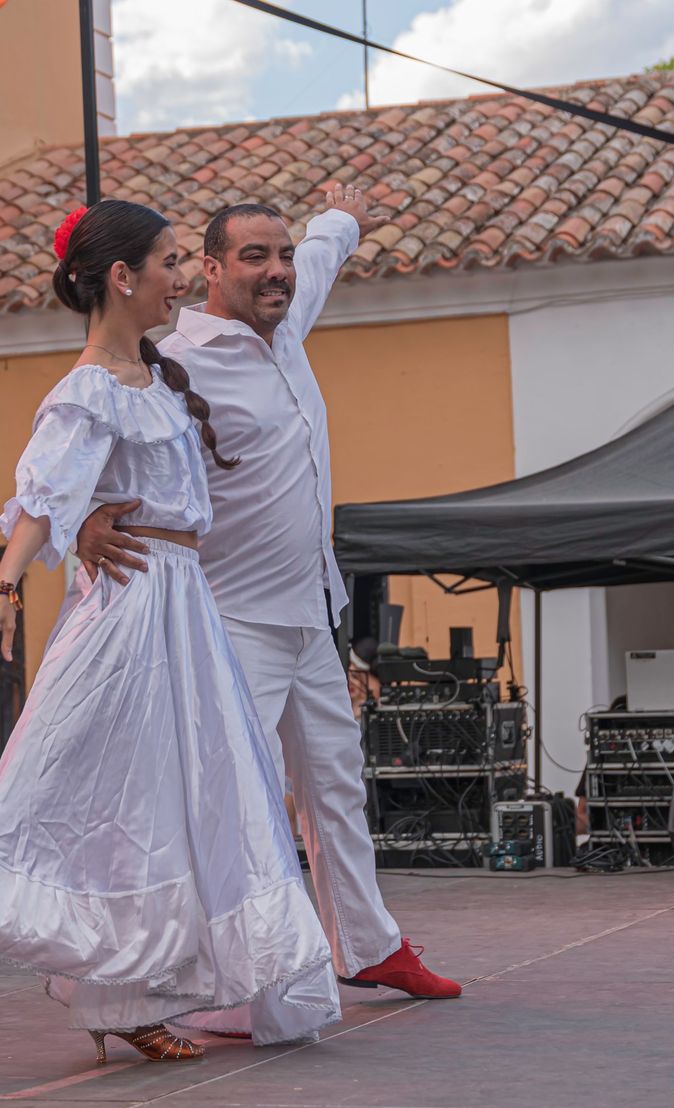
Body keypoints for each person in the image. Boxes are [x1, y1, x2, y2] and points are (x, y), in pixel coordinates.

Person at [0, 199, 340, 1099]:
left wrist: (92, 518)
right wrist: (4, 590)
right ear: (122, 277)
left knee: (155, 806)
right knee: (28, 802)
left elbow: (113, 496)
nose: (178, 277)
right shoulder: (86, 388)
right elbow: (45, 495)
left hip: (181, 615)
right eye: (167, 262)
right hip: (123, 621)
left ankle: (125, 1001)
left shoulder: (152, 382)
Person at [77, 186, 462, 1005]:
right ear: (211, 269)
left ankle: (367, 945)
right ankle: (204, 972)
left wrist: (343, 216)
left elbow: (325, 252)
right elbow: (90, 423)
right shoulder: (172, 355)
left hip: (310, 616)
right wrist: (82, 519)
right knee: (233, 805)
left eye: (282, 254)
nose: (277, 270)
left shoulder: (289, 318)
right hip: (230, 624)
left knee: (336, 785)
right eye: (254, 256)